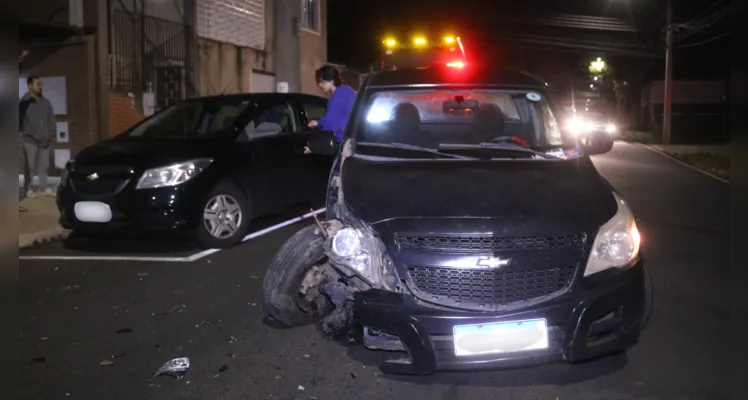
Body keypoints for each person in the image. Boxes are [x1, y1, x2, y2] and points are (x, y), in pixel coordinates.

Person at [305, 65, 356, 154]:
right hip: (353, 138)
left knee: (339, 167)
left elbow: (331, 125)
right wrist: (319, 122)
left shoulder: (336, 97)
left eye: (321, 82)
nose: (319, 85)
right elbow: (338, 116)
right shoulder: (347, 90)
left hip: (343, 143)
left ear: (331, 81)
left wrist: (313, 147)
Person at [20, 76, 57, 197]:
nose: (40, 87)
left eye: (41, 84)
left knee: (44, 166)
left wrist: (51, 134)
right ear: (30, 86)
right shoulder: (24, 102)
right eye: (38, 84)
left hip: (45, 140)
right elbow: (22, 121)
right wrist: (33, 134)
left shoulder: (46, 103)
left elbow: (51, 119)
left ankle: (44, 187)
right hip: (30, 140)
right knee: (30, 166)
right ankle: (29, 188)